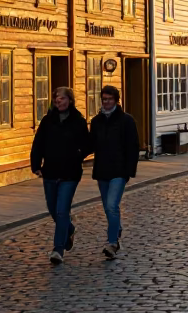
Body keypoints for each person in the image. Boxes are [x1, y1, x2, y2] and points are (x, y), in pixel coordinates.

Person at [30, 87, 91, 265]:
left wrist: (77, 155)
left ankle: (58, 249)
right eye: (56, 98)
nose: (58, 101)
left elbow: (88, 144)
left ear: (69, 101)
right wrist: (36, 165)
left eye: (62, 98)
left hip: (70, 173)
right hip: (50, 171)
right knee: (52, 209)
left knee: (62, 210)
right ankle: (69, 228)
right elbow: (38, 143)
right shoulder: (48, 120)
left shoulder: (78, 121)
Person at [89, 85, 139, 259]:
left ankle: (112, 243)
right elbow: (91, 144)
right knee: (107, 208)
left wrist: (129, 171)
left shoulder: (126, 121)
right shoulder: (96, 122)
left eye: (109, 99)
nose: (106, 102)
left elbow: (133, 147)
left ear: (116, 100)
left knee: (112, 205)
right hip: (102, 170)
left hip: (119, 170)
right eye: (104, 99)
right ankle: (116, 229)